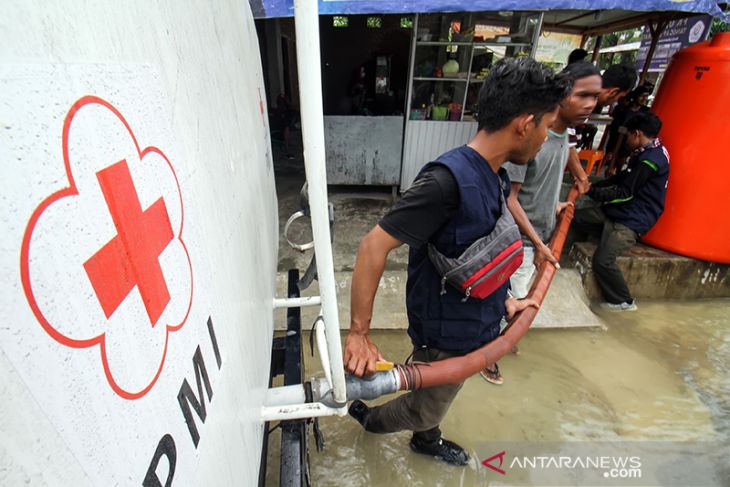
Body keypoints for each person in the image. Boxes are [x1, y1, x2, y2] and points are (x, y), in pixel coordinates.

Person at [344, 58, 571, 466]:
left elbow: (481, 254)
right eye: (546, 125)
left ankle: (425, 437)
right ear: (524, 123)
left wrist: (506, 303)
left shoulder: (496, 175)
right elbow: (372, 246)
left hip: (474, 324)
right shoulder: (445, 181)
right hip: (446, 335)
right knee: (425, 405)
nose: (545, 137)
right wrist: (359, 333)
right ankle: (372, 419)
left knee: (437, 396)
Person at [480, 61, 602, 385]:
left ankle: (503, 340)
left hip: (541, 232)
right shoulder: (531, 141)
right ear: (562, 97)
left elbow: (554, 172)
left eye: (596, 96)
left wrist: (558, 203)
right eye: (583, 95)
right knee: (513, 296)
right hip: (520, 236)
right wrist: (537, 242)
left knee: (516, 296)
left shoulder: (563, 137)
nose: (591, 104)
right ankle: (490, 354)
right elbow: (511, 198)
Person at [571, 112, 669, 311]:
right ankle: (604, 234)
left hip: (632, 219)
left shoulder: (649, 160)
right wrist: (594, 184)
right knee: (576, 217)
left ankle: (624, 301)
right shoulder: (648, 150)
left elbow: (625, 192)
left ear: (637, 134)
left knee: (603, 260)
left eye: (628, 135)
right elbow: (623, 177)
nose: (626, 140)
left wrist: (593, 192)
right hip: (619, 211)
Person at [574, 64, 638, 150]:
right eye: (619, 97)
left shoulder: (585, 100)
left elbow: (570, 144)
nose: (616, 101)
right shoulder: (582, 104)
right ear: (613, 92)